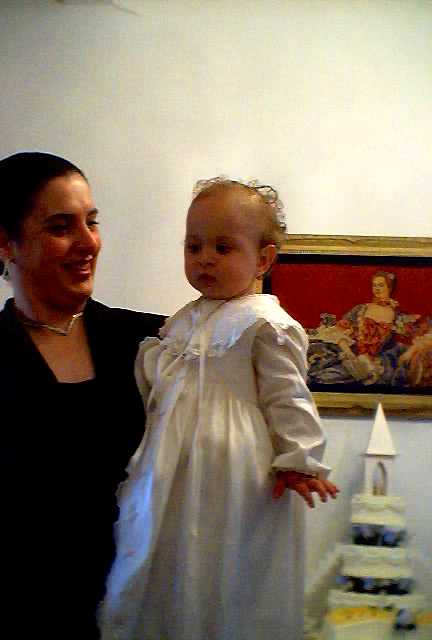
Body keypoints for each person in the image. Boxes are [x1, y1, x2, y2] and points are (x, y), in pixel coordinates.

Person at [99, 177, 338, 640]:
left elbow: (287, 395)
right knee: (170, 553)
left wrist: (300, 458)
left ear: (263, 259)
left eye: (223, 247)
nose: (205, 258)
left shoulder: (265, 323)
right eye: (194, 247)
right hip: (171, 463)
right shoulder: (183, 319)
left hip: (235, 467)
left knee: (225, 561)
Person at [0, 152, 163, 640]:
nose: (89, 242)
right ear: (3, 242)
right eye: (61, 227)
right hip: (14, 623)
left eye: (92, 221)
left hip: (138, 615)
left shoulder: (152, 344)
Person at [308, 271, 423, 387]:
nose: (377, 289)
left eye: (381, 285)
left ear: (390, 287)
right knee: (324, 377)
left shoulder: (397, 315)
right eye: (374, 285)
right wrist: (350, 354)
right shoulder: (361, 309)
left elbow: (415, 337)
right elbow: (338, 331)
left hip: (377, 364)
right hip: (351, 356)